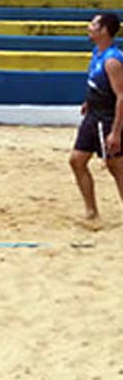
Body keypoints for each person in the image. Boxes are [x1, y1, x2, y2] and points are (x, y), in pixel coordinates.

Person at [69, 12, 123, 223]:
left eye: (94, 25)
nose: (89, 27)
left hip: (107, 118)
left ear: (104, 31)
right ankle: (91, 212)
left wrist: (116, 132)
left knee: (115, 166)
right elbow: (98, 84)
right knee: (76, 160)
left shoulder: (112, 61)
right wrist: (89, 101)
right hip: (93, 115)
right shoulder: (97, 53)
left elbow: (121, 96)